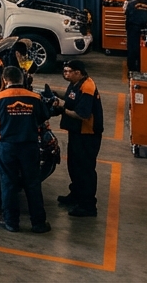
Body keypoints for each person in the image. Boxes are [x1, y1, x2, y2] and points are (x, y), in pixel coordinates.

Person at [0, 66, 50, 233]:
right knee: (33, 184)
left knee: (9, 184)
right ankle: (39, 223)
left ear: (5, 80)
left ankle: (11, 222)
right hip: (30, 145)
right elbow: (44, 118)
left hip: (8, 146)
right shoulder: (35, 97)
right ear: (22, 79)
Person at [53, 59, 103, 217]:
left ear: (78, 72)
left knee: (85, 169)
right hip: (76, 133)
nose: (65, 74)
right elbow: (71, 98)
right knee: (74, 165)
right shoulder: (76, 83)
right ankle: (76, 194)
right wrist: (55, 93)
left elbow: (82, 114)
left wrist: (62, 107)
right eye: (65, 71)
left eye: (68, 71)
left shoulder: (87, 87)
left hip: (87, 135)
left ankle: (88, 205)